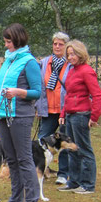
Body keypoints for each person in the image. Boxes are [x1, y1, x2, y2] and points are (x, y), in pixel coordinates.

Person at [0, 23, 42, 202]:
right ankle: (14, 201)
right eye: (5, 41)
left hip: (20, 115)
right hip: (4, 115)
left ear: (18, 40)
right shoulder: (8, 61)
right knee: (11, 159)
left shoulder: (29, 62)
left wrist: (19, 92)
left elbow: (37, 92)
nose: (6, 45)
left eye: (8, 41)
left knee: (24, 158)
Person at [57, 40, 101, 194]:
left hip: (81, 115)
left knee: (84, 149)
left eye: (73, 54)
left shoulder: (86, 71)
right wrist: (63, 113)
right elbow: (68, 94)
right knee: (72, 149)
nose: (70, 57)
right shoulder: (72, 70)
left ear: (80, 54)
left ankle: (88, 184)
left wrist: (94, 116)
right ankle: (74, 182)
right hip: (70, 115)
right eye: (68, 54)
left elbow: (97, 94)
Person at [35, 32, 72, 185]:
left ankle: (63, 173)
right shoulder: (44, 63)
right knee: (42, 140)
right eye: (55, 43)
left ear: (66, 46)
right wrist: (37, 107)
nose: (57, 46)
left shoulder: (71, 64)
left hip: (65, 109)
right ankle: (39, 169)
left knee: (63, 142)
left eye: (61, 44)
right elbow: (38, 86)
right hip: (48, 109)